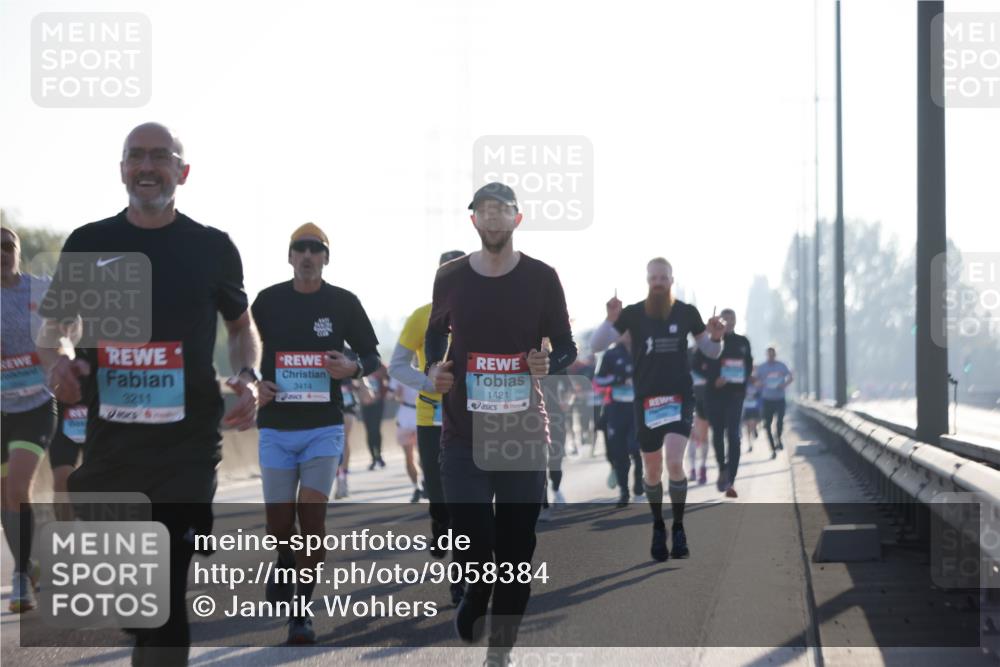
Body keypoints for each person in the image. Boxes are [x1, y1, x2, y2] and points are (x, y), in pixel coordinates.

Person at [37, 122, 261, 666]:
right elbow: (53, 328)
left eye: (160, 156)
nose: (146, 165)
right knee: (139, 600)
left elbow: (240, 327)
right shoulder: (91, 242)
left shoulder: (211, 247)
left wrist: (248, 375)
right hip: (112, 444)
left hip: (187, 443)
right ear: (121, 170)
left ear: (182, 172)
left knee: (165, 589)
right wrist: (56, 360)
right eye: (135, 156)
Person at [425, 182, 576, 666]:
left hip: (522, 435)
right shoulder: (449, 277)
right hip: (463, 433)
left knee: (515, 553)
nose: (492, 219)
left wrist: (546, 363)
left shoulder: (542, 277)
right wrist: (435, 369)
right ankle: (474, 589)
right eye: (484, 212)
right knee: (473, 537)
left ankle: (500, 652)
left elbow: (567, 346)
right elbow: (434, 338)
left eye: (501, 211)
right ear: (473, 220)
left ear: (517, 218)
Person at [251, 222, 380, 644]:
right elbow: (243, 350)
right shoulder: (267, 301)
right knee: (279, 524)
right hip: (275, 427)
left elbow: (370, 356)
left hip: (323, 426)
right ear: (289, 257)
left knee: (312, 517)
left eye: (316, 249)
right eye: (300, 248)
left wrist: (353, 368)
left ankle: (301, 614)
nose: (307, 255)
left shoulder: (343, 303)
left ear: (326, 257)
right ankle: (283, 557)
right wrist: (253, 382)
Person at [590, 260, 724, 562]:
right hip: (646, 400)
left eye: (664, 277)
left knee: (675, 462)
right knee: (652, 470)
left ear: (672, 280)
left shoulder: (687, 312)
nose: (659, 282)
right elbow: (597, 345)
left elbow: (711, 351)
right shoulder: (634, 313)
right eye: (654, 278)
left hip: (679, 398)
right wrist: (610, 319)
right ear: (647, 280)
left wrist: (716, 337)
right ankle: (657, 524)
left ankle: (677, 527)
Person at [388, 249, 467, 604]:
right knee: (439, 497)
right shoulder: (422, 316)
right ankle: (438, 523)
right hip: (431, 418)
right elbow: (397, 365)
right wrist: (426, 381)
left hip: (472, 419)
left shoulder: (484, 314)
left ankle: (462, 576)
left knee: (467, 500)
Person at [1, 226, 56, 613]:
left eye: (8, 246)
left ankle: (21, 576)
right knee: (5, 494)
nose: (2, 252)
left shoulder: (42, 289)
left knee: (19, 486)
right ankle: (28, 565)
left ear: (18, 252)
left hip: (37, 403)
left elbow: (75, 324)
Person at [700, 308, 753, 498]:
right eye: (726, 318)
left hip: (735, 395)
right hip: (714, 394)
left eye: (732, 318)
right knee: (718, 433)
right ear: (720, 321)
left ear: (736, 321)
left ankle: (731, 478)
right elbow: (696, 364)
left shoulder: (743, 342)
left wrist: (744, 381)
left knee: (734, 435)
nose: (729, 321)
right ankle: (722, 467)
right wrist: (713, 379)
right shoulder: (709, 341)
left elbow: (748, 367)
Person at [594, 339, 644, 507]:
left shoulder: (645, 349)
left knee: (636, 447)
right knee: (619, 451)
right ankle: (624, 491)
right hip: (616, 409)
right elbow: (598, 381)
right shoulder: (611, 354)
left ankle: (639, 482)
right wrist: (619, 378)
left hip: (639, 409)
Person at [754, 346, 794, 454]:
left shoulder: (781, 366)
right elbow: (755, 381)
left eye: (773, 354)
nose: (771, 356)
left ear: (775, 355)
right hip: (767, 399)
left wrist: (784, 384)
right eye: (769, 354)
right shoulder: (762, 367)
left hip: (780, 398)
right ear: (767, 355)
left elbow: (791, 377)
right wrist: (760, 384)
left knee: (780, 421)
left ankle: (779, 438)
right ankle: (772, 447)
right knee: (767, 425)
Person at [389, 377, 423, 503]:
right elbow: (390, 394)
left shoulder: (424, 368)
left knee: (423, 456)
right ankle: (416, 487)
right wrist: (394, 394)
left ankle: (425, 481)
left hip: (422, 414)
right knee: (408, 457)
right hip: (405, 417)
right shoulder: (398, 373)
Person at [687, 346, 710, 485]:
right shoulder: (686, 352)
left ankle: (703, 466)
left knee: (704, 437)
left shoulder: (710, 352)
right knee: (692, 436)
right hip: (689, 399)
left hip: (706, 400)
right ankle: (693, 469)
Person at [361, 362, 389, 469]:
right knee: (369, 431)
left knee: (376, 429)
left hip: (378, 404)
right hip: (366, 404)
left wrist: (382, 393)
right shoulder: (360, 364)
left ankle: (379, 456)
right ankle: (373, 457)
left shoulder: (380, 365)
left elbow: (390, 381)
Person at [742, 375, 761, 453]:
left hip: (755, 407)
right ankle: (750, 444)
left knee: (753, 423)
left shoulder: (757, 384)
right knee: (748, 427)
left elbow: (760, 395)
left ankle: (755, 429)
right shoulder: (743, 384)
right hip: (746, 407)